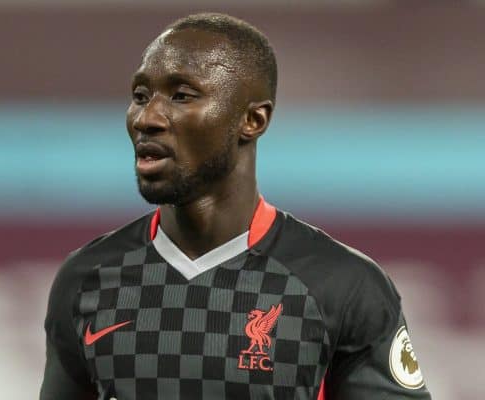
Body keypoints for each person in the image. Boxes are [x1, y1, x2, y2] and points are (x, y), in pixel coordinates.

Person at [40, 13, 431, 400]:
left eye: (181, 95)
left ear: (253, 120)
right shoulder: (86, 279)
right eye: (141, 96)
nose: (147, 118)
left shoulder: (343, 286)